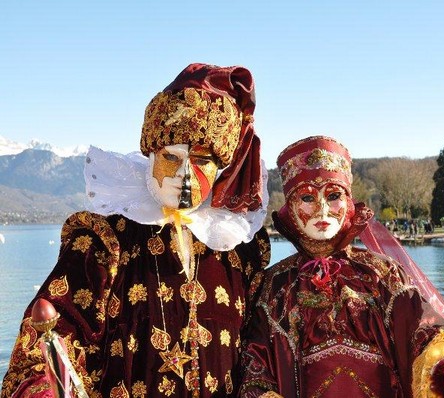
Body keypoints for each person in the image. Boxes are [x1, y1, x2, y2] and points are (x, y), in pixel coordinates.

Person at [1, 64, 271, 397]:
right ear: (151, 152)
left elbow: (261, 352)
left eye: (201, 161)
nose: (185, 176)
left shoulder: (239, 249)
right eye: (172, 157)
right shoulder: (103, 241)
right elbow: (51, 339)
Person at [239, 136, 444, 398]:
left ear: (349, 201)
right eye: (307, 197)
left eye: (333, 196)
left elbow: (421, 330)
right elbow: (256, 367)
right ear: (289, 207)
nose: (322, 210)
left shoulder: (381, 273)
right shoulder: (275, 286)